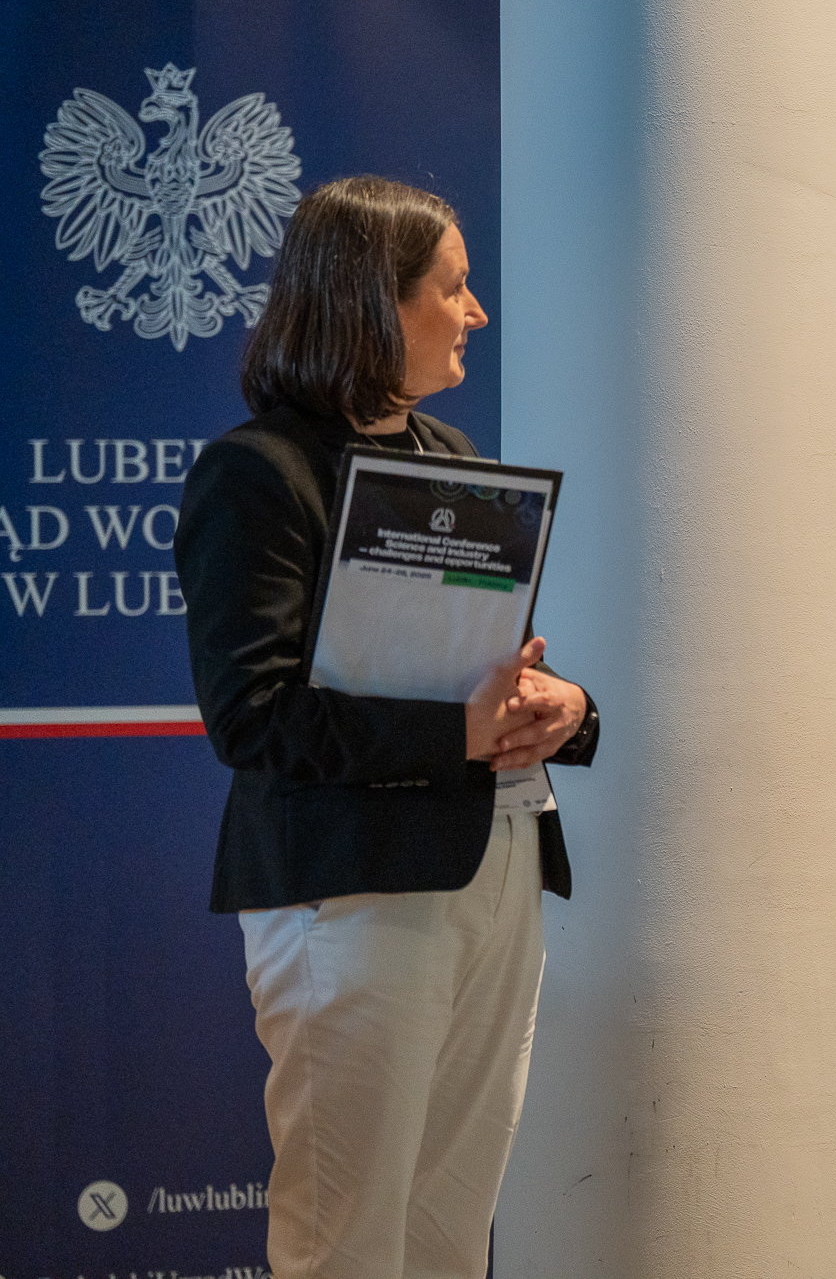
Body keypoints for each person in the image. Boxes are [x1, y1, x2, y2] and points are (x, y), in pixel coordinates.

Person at [174, 176, 598, 1279]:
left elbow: (475, 663)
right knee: (348, 1240)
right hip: (351, 890)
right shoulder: (258, 473)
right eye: (453, 288)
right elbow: (254, 714)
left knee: (450, 1234)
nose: (476, 312)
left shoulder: (449, 451)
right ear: (373, 300)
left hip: (494, 865)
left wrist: (566, 706)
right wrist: (455, 735)